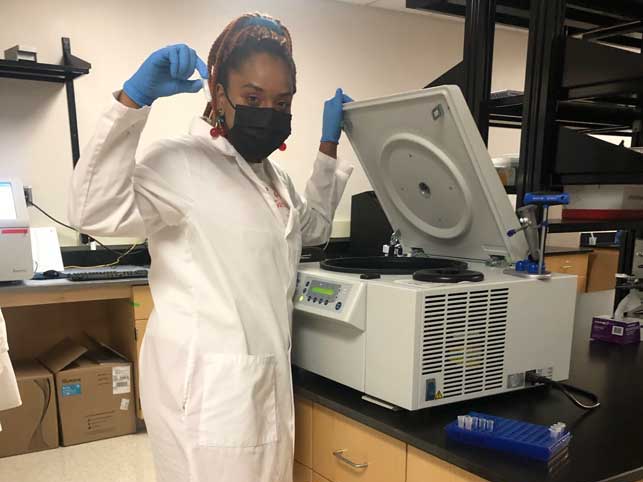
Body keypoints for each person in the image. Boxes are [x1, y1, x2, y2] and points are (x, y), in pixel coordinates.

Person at [68, 12, 353, 482]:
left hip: (259, 386)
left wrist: (327, 144)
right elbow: (92, 207)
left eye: (282, 102)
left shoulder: (272, 179)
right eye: (253, 97)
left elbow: (314, 229)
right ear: (219, 94)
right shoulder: (180, 162)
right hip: (210, 395)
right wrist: (131, 102)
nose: (270, 113)